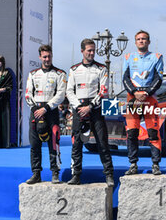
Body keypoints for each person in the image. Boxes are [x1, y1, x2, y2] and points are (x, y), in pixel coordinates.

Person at [66, 39, 114, 187]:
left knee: (102, 143)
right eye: (89, 50)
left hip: (95, 110)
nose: (92, 53)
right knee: (77, 144)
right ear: (82, 51)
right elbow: (69, 91)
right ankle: (76, 175)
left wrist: (90, 106)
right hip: (79, 109)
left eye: (93, 50)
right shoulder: (74, 69)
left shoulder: (101, 69)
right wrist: (79, 106)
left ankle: (109, 174)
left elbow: (103, 90)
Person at [122, 30, 164, 175]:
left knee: (153, 132)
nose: (141, 41)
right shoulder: (128, 57)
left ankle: (155, 164)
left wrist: (146, 93)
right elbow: (125, 78)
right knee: (132, 133)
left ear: (149, 41)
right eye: (139, 39)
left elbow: (158, 79)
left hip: (149, 97)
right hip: (133, 98)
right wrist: (135, 93)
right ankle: (133, 164)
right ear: (135, 42)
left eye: (144, 39)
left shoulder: (156, 57)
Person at [25, 45, 66, 184]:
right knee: (35, 144)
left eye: (49, 56)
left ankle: (55, 172)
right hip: (35, 112)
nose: (47, 59)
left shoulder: (60, 73)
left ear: (52, 56)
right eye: (44, 57)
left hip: (51, 112)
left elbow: (60, 95)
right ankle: (36, 173)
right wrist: (36, 109)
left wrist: (46, 108)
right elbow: (27, 94)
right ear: (40, 57)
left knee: (54, 143)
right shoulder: (33, 74)